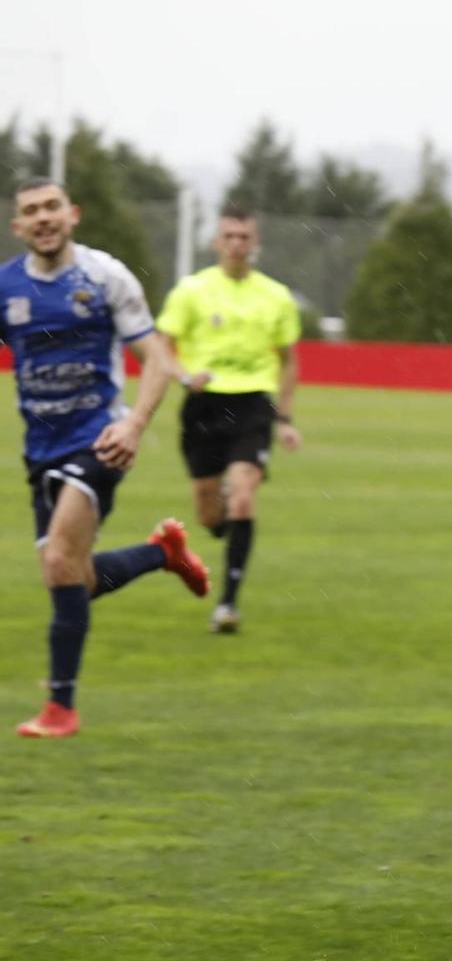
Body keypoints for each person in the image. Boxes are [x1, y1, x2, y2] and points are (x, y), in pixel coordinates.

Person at [5, 177, 211, 737]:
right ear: (17, 226)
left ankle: (61, 709)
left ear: (73, 214)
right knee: (72, 576)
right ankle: (160, 554)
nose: (44, 218)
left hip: (101, 438)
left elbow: (158, 359)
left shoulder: (104, 277)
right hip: (40, 450)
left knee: (58, 566)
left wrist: (133, 425)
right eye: (31, 211)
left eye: (52, 207)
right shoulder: (7, 288)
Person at [155, 206, 302, 633]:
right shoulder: (191, 291)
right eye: (230, 236)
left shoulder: (276, 296)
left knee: (241, 495)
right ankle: (220, 514)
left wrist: (286, 417)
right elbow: (162, 344)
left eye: (245, 236)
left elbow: (290, 360)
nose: (238, 243)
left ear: (255, 243)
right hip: (203, 405)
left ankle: (227, 604)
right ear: (217, 242)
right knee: (208, 514)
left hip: (254, 403)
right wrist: (183, 374)